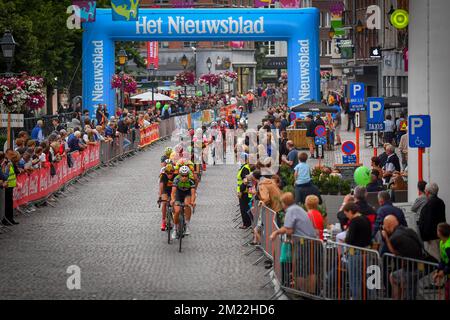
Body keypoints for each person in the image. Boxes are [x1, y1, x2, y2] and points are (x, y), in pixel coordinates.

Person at [382, 215, 424, 300]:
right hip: (422, 265)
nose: (384, 228)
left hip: (412, 268)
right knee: (408, 284)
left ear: (388, 226)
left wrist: (386, 238)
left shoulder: (395, 237)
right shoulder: (409, 230)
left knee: (395, 278)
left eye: (384, 226)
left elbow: (394, 252)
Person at [343, 202, 372, 300]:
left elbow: (349, 240)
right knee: (368, 278)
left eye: (347, 214)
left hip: (355, 253)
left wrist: (346, 237)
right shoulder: (366, 218)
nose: (347, 217)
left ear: (350, 211)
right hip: (367, 251)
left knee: (355, 279)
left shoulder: (354, 221)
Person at [418, 182, 447, 261]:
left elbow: (428, 221)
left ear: (427, 192)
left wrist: (425, 237)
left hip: (431, 238)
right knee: (440, 257)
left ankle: (437, 272)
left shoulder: (429, 204)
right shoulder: (441, 202)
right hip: (439, 234)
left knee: (433, 259)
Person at [170, 166, 196, 239]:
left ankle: (187, 225)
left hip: (187, 194)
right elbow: (173, 193)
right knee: (177, 211)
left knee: (187, 205)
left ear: (188, 175)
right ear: (180, 175)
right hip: (178, 194)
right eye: (182, 175)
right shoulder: (176, 179)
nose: (184, 177)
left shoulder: (191, 181)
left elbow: (193, 193)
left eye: (186, 175)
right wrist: (172, 200)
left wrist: (193, 202)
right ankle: (175, 229)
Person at [1, 149, 19, 225]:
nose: (12, 156)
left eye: (12, 154)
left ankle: (10, 219)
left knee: (10, 203)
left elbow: (15, 171)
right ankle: (5, 219)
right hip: (6, 185)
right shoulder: (4, 162)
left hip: (11, 184)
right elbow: (3, 174)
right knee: (6, 204)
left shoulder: (10, 162)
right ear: (6, 154)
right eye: (10, 154)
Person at [433, 223, 450, 300]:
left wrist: (444, 272)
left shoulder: (448, 246)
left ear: (440, 232)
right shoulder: (441, 242)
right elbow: (443, 259)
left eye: (437, 230)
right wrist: (438, 270)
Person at [237, 153, 252, 229]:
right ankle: (247, 223)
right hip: (245, 191)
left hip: (244, 192)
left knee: (244, 208)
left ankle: (246, 224)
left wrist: (241, 191)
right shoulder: (244, 167)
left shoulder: (245, 168)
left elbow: (245, 181)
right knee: (245, 207)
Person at [159, 164, 176, 231]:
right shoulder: (163, 176)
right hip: (165, 190)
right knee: (164, 203)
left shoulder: (176, 176)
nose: (169, 175)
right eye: (168, 173)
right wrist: (160, 196)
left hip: (173, 190)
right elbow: (161, 187)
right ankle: (163, 221)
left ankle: (176, 219)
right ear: (165, 172)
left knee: (174, 203)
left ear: (173, 172)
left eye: (171, 173)